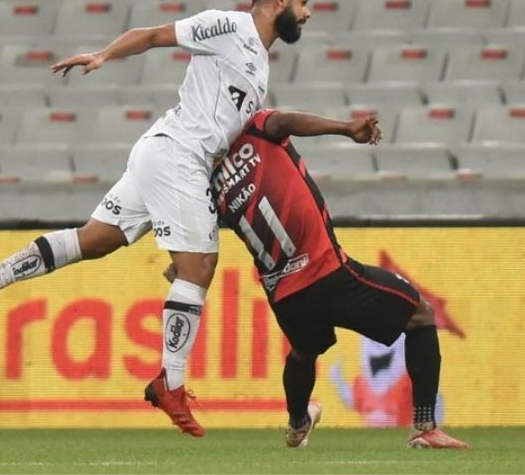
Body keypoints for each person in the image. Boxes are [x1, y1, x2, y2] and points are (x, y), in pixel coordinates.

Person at [0, 0, 317, 437]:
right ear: (279, 0)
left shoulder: (259, 64)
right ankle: (171, 382)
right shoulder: (230, 26)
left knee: (95, 240)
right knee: (199, 269)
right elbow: (153, 36)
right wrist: (104, 55)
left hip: (167, 156)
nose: (308, 14)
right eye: (304, 2)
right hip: (176, 157)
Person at [165, 108, 469, 449]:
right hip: (327, 273)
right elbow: (285, 122)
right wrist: (346, 128)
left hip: (284, 295)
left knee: (304, 351)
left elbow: (198, 239)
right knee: (420, 315)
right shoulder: (256, 127)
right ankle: (425, 427)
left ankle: (298, 422)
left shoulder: (207, 183)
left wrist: (179, 268)